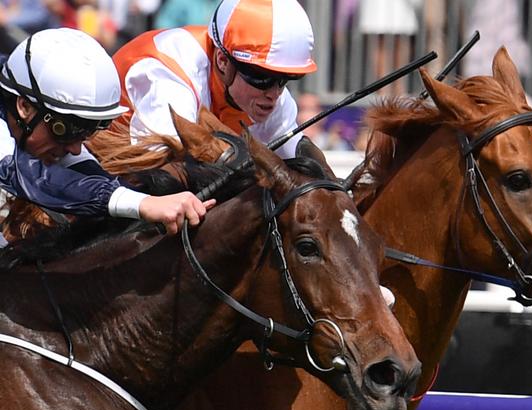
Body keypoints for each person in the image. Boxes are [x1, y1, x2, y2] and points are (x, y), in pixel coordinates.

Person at [0, 27, 214, 244]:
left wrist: (149, 202)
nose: (75, 148)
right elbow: (33, 178)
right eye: (64, 131)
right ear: (24, 106)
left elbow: (90, 178)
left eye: (86, 133)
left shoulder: (37, 113)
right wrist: (142, 205)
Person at [112, 0, 319, 161]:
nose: (274, 93)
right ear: (222, 61)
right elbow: (166, 174)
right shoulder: (172, 75)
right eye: (261, 78)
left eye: (284, 79)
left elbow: (293, 154)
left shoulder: (266, 94)